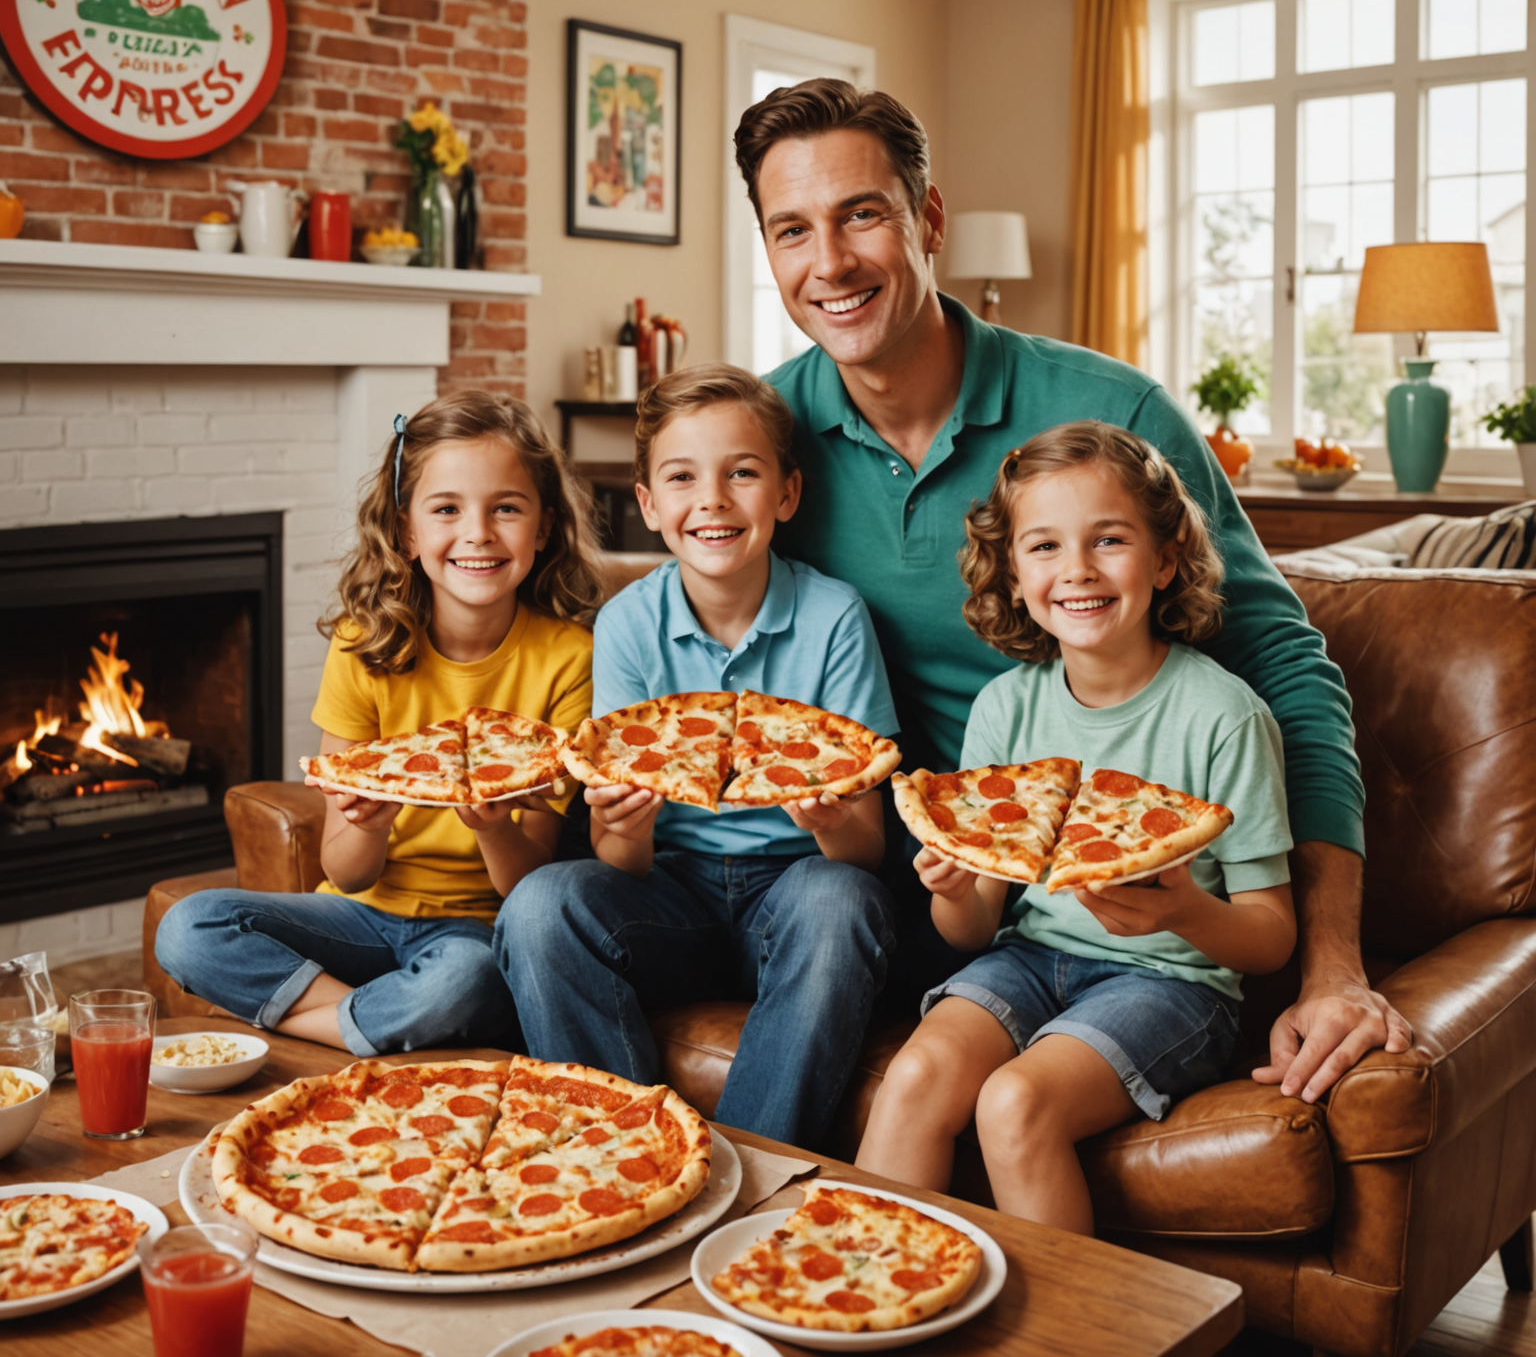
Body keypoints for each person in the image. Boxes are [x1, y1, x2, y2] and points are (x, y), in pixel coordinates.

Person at [735, 77, 1410, 1103]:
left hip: (1094, 912)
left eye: (861, 214)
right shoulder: (764, 439)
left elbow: (1285, 667)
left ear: (929, 220)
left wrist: (1332, 968)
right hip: (896, 883)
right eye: (792, 230)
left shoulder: (1115, 416)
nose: (828, 262)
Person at [856, 422, 1296, 1232]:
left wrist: (1182, 912)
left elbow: (1271, 937)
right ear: (1013, 574)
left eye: (1109, 540)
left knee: (1014, 1102)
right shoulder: (1004, 708)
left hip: (1172, 982)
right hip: (1026, 959)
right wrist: (951, 887)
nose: (1078, 570)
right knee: (913, 1078)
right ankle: (871, 1290)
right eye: (1045, 546)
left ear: (1165, 559)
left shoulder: (1225, 716)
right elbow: (971, 929)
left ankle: (1064, 1311)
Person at [496, 365, 898, 1147]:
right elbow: (620, 861)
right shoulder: (626, 624)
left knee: (839, 899)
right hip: (668, 895)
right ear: (649, 504)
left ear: (786, 493)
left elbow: (866, 851)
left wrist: (827, 819)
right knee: (539, 906)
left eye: (741, 473)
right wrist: (625, 825)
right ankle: (622, 1156)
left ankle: (752, 1169)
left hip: (795, 889)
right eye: (682, 478)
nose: (712, 500)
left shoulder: (835, 617)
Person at [156, 392, 602, 1054]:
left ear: (543, 528)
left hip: (475, 931)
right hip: (356, 918)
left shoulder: (570, 659)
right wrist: (370, 822)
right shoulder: (363, 645)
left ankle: (330, 1024)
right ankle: (369, 1025)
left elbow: (527, 885)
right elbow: (345, 871)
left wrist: (491, 825)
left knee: (469, 980)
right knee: (189, 926)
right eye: (446, 509)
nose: (478, 532)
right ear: (406, 532)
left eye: (506, 508)